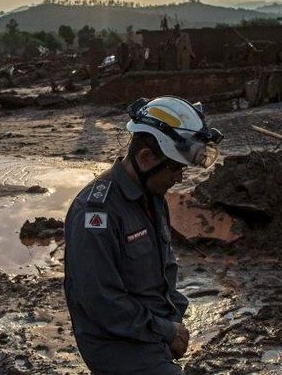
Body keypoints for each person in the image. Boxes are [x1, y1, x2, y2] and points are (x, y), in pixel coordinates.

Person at [64, 96, 223, 374]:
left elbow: (165, 268)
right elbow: (102, 303)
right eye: (175, 167)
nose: (180, 178)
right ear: (146, 158)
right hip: (116, 344)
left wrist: (174, 323)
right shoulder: (95, 213)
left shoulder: (153, 195)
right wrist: (166, 331)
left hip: (151, 331)